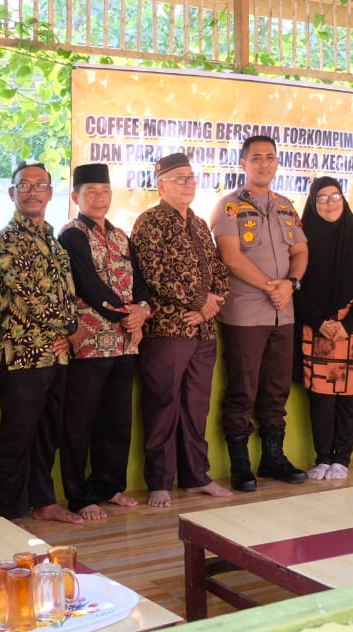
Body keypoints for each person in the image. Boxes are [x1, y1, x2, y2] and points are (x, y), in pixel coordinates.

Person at [131, 153, 233, 507]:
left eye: (192, 178)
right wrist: (198, 303)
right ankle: (160, 481)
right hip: (168, 331)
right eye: (180, 179)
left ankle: (196, 477)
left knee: (196, 406)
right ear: (161, 185)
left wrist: (214, 302)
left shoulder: (201, 224)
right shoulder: (150, 222)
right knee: (163, 404)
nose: (189, 184)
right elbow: (154, 274)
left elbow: (219, 270)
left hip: (204, 332)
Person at [209, 135, 309, 492]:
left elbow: (300, 251)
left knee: (276, 389)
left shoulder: (286, 206)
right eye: (256, 158)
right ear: (243, 164)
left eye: (270, 157)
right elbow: (231, 257)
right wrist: (273, 286)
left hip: (284, 312)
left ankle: (273, 458)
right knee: (243, 388)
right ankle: (240, 464)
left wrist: (291, 284)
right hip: (246, 314)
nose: (264, 164)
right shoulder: (229, 207)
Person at [0, 160, 81, 524]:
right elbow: (30, 299)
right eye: (24, 186)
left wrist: (67, 333)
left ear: (50, 193)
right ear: (12, 193)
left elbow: (66, 294)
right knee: (17, 437)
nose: (32, 191)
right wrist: (72, 330)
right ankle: (11, 512)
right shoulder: (8, 239)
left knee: (47, 435)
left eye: (39, 185)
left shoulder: (53, 241)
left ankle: (43, 503)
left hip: (55, 356)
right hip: (22, 358)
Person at [58, 163, 149, 518]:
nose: (99, 198)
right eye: (90, 192)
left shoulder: (120, 235)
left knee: (116, 420)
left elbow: (138, 281)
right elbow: (88, 285)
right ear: (76, 196)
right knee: (80, 423)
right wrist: (127, 316)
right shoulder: (72, 234)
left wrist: (143, 309)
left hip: (126, 343)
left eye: (104, 191)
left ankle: (108, 486)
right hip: (90, 344)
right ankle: (79, 496)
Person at [294, 176, 353, 480]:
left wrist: (348, 324)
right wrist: (319, 322)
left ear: (343, 200)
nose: (330, 203)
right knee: (320, 395)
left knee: (348, 394)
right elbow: (295, 285)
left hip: (352, 327)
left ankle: (341, 459)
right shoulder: (300, 239)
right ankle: (322, 458)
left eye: (335, 197)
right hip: (315, 324)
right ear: (312, 202)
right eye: (322, 198)